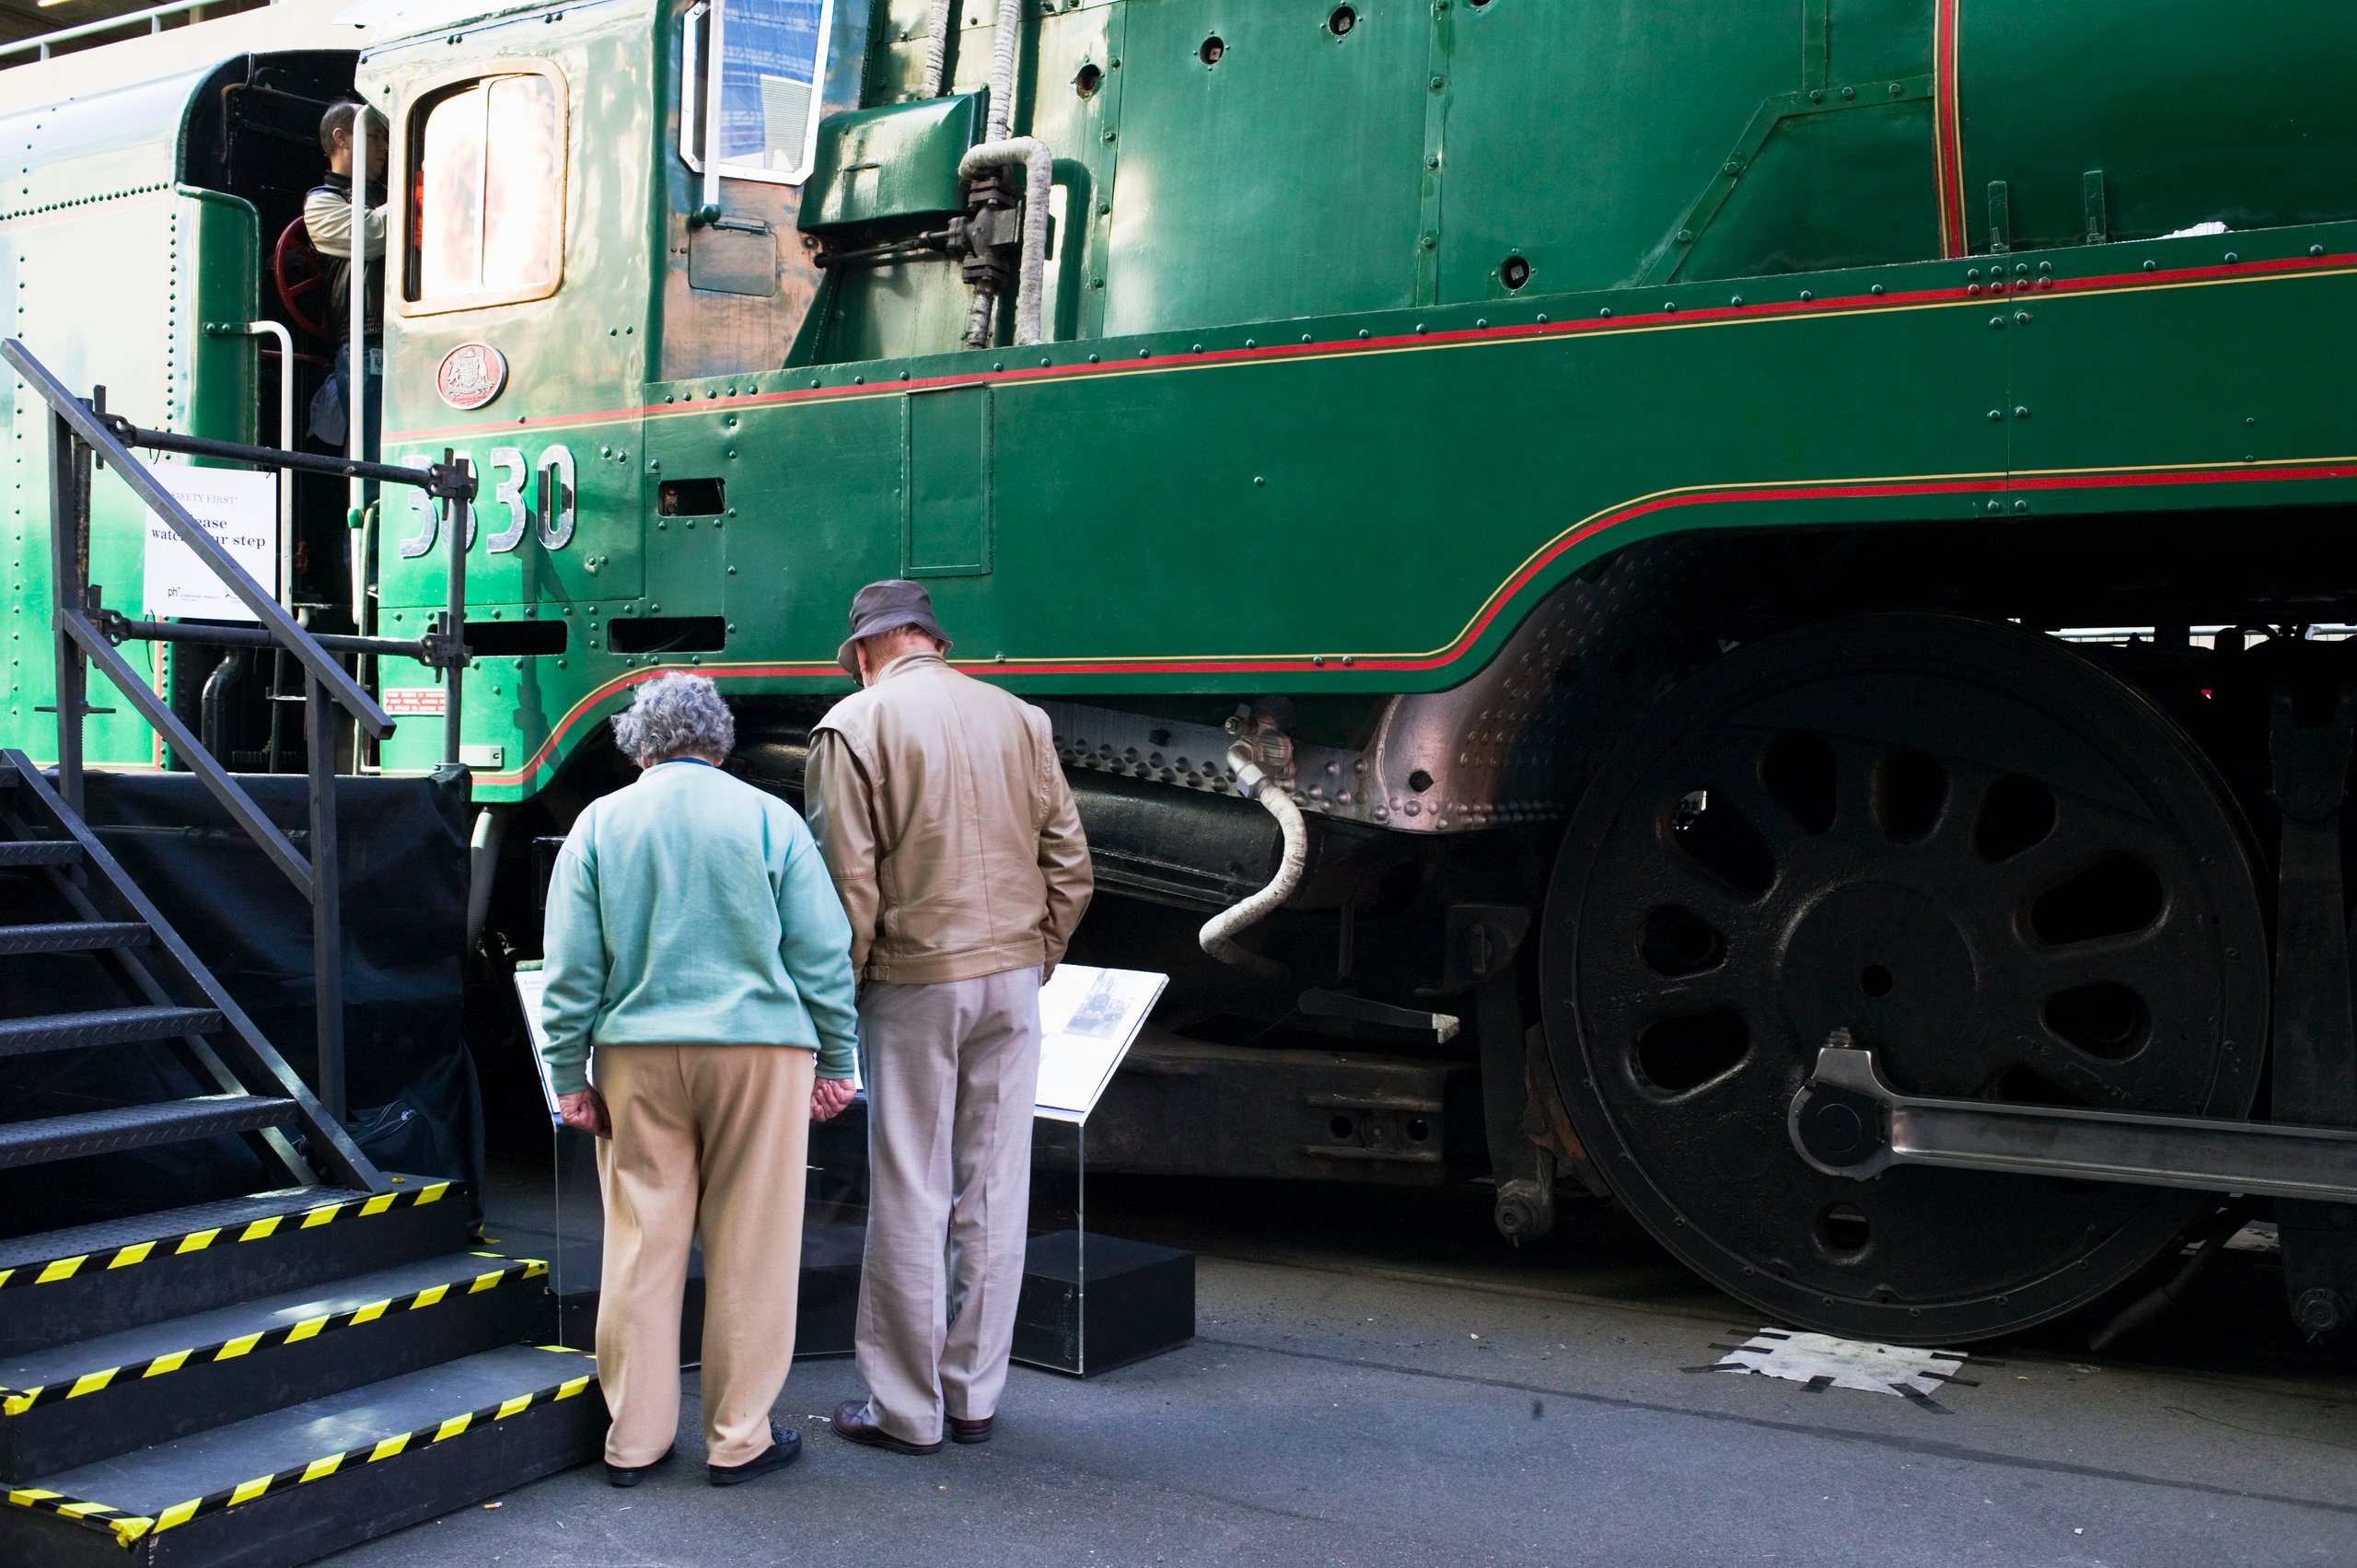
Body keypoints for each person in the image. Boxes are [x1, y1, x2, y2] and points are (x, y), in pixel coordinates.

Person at [540, 673, 861, 1488]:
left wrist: (567, 1072)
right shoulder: (769, 818)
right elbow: (821, 953)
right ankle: (737, 1438)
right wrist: (837, 1060)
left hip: (636, 1056)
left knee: (642, 1246)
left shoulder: (599, 823)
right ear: (718, 743)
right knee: (751, 1246)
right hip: (759, 1052)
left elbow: (572, 968)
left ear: (639, 746)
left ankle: (634, 1440)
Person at [806, 579, 1093, 1455]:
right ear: (933, 638)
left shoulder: (852, 727)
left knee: (911, 1187)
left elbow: (847, 885)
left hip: (913, 979)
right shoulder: (1021, 717)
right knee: (997, 1186)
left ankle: (905, 1408)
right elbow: (1071, 863)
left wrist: (842, 1001)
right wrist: (1036, 953)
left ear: (864, 652)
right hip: (1012, 976)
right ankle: (973, 1395)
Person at [304, 99, 386, 453]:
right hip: (367, 342)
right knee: (373, 451)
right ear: (342, 139)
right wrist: (426, 193)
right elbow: (370, 235)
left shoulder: (386, 195)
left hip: (406, 337)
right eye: (374, 137)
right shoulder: (322, 202)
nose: (384, 147)